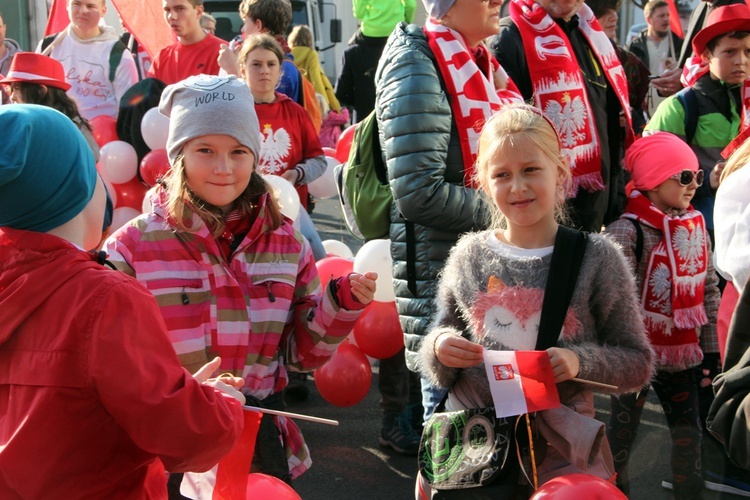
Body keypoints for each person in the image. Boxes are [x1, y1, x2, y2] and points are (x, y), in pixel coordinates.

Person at [104, 75, 377, 488]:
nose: (223, 167)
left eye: (238, 151)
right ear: (179, 155)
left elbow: (301, 356)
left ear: (255, 156)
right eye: (204, 150)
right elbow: (111, 360)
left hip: (257, 438)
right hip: (168, 441)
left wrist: (339, 306)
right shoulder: (133, 247)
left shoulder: (287, 243)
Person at [0, 104, 246, 497]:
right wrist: (219, 404)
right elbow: (188, 438)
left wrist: (177, 391)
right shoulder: (105, 300)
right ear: (76, 189)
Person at [418, 105, 654, 497]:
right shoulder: (469, 255)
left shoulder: (597, 258)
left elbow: (637, 362)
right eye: (502, 175)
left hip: (561, 449)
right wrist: (440, 348)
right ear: (483, 183)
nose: (517, 187)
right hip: (475, 442)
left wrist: (581, 361)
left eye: (531, 170)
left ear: (561, 173)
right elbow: (439, 336)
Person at [375, 0, 523, 448]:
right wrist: (515, 207)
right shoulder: (417, 62)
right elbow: (418, 191)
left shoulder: (481, 63)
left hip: (494, 279)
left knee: (501, 447)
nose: (499, 1)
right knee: (456, 454)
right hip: (447, 290)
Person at [604, 133, 721, 499]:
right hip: (635, 356)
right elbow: (611, 301)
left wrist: (711, 351)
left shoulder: (695, 227)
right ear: (654, 179)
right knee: (620, 436)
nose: (693, 185)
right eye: (684, 176)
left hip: (681, 355)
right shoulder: (627, 231)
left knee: (689, 434)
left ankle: (690, 492)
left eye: (698, 176)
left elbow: (708, 290)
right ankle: (611, 491)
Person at [490, 0, 634, 232]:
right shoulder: (509, 37)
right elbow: (504, 138)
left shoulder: (592, 36)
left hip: (596, 212)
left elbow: (609, 123)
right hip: (542, 220)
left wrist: (616, 200)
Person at [644, 3, 750, 249]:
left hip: (740, 232)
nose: (741, 61)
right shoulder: (679, 106)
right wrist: (704, 181)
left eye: (748, 52)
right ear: (706, 56)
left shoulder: (745, 103)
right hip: (696, 230)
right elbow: (652, 175)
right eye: (730, 52)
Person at [237, 33, 328, 271]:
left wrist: (297, 174)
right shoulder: (233, 113)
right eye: (256, 64)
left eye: (271, 64)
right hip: (244, 216)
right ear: (243, 69)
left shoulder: (295, 112)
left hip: (291, 213)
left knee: (315, 265)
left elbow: (318, 160)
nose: (264, 70)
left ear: (280, 71)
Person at [37, 0, 138, 121]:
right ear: (67, 5)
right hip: (58, 131)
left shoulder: (118, 54)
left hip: (102, 136)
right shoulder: (47, 47)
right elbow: (35, 97)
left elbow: (128, 112)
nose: (83, 11)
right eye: (77, 4)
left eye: (90, 6)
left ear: (103, 11)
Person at [1, 52, 100, 161]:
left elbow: (91, 157)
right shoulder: (18, 124)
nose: (13, 97)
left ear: (41, 91)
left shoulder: (67, 126)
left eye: (18, 89)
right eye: (11, 90)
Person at [585, 0, 650, 134]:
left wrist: (630, 118)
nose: (614, 17)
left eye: (614, 10)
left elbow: (641, 114)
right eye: (603, 11)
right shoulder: (567, 58)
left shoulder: (629, 62)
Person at [149, 0, 226, 85]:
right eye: (167, 10)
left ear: (198, 11)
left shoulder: (223, 53)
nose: (172, 16)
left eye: (180, 9)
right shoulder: (161, 58)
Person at [628, 0, 683, 116]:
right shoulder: (635, 46)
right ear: (649, 19)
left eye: (668, 15)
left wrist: (679, 66)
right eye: (661, 16)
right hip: (645, 109)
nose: (666, 19)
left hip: (672, 108)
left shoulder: (679, 44)